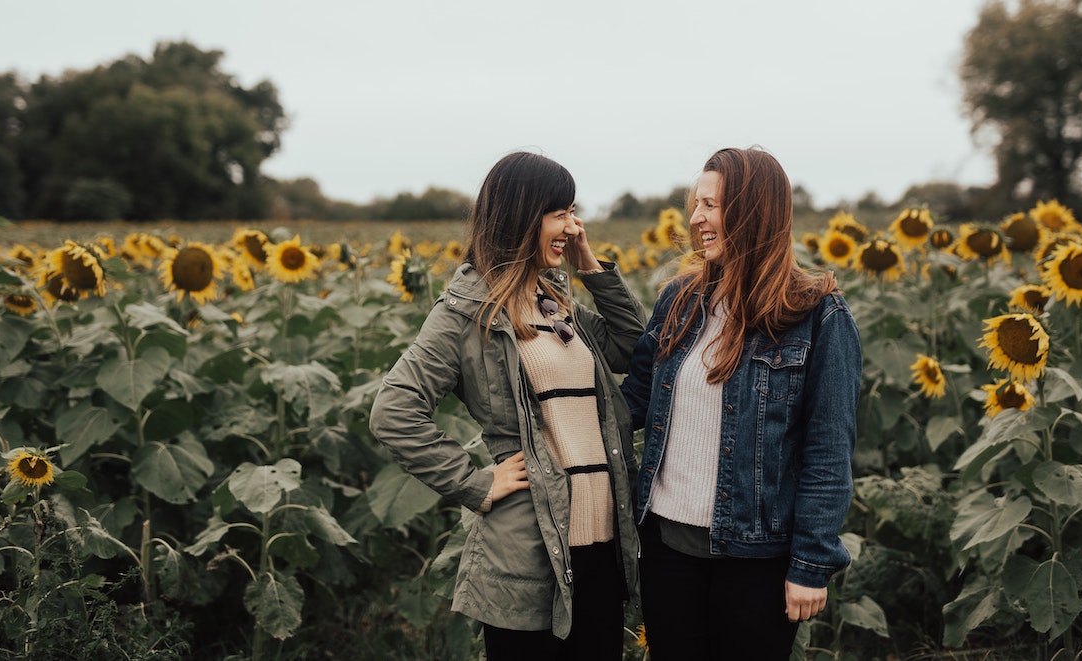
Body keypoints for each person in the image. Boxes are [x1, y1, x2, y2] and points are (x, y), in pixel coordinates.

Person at [369, 150, 646, 661]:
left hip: (601, 544)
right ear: (521, 215)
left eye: (572, 210)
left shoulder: (553, 301)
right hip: (530, 551)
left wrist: (590, 267)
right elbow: (394, 410)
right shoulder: (465, 311)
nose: (573, 225)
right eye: (559, 212)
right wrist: (473, 482)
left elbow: (634, 346)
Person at [619, 146, 862, 660]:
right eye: (695, 204)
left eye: (710, 205)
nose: (695, 218)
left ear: (753, 210)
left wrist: (811, 566)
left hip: (756, 559)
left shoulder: (816, 316)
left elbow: (828, 452)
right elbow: (632, 403)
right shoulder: (680, 300)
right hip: (666, 550)